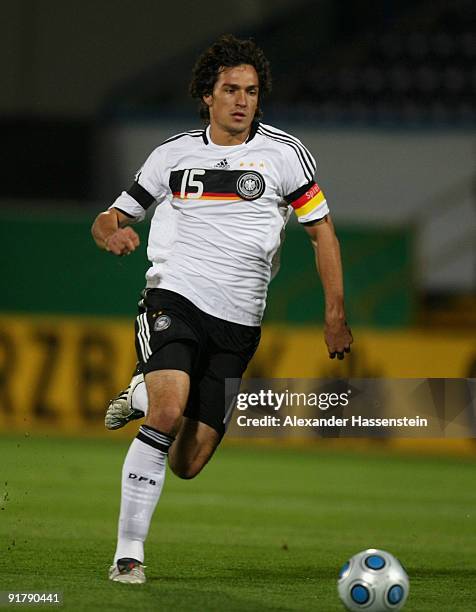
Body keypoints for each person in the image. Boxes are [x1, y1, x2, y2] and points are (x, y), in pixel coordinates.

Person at [91, 34, 353, 585]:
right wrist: (112, 232)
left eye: (252, 92)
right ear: (206, 96)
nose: (242, 100)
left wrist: (335, 313)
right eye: (230, 89)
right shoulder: (171, 155)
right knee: (168, 411)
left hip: (239, 323)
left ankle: (139, 391)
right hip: (175, 296)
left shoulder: (286, 155)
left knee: (187, 462)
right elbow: (111, 217)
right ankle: (128, 555)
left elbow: (321, 232)